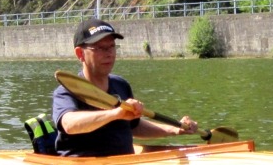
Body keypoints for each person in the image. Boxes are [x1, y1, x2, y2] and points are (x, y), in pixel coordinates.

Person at [52, 19, 198, 157]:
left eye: (112, 47)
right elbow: (69, 124)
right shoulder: (67, 91)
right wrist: (116, 114)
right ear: (80, 53)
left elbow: (134, 126)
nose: (109, 54)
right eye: (101, 48)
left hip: (124, 164)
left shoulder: (120, 84)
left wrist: (174, 130)